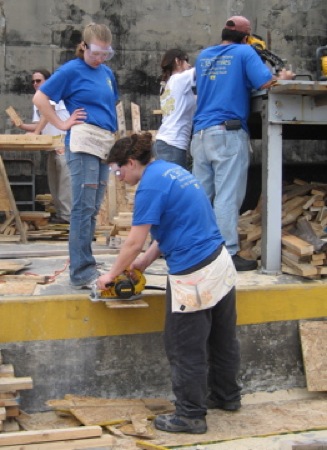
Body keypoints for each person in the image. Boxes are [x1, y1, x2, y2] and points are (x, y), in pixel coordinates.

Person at [97, 132, 241, 434]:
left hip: (194, 273)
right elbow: (174, 223)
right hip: (219, 261)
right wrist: (146, 262)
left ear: (132, 163)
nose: (118, 177)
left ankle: (190, 415)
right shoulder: (173, 171)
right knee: (221, 338)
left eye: (117, 170)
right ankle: (226, 397)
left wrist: (110, 276)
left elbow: (133, 242)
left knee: (183, 347)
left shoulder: (149, 186)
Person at [191, 16, 295, 271]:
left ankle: (199, 251)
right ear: (247, 37)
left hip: (200, 135)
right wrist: (285, 77)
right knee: (227, 197)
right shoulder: (245, 52)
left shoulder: (204, 56)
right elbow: (266, 82)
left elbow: (198, 88)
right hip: (228, 134)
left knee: (202, 198)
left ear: (223, 34)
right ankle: (227, 253)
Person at [33, 23, 119, 288]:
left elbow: (112, 103)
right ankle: (81, 270)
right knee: (82, 207)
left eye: (106, 53)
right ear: (84, 47)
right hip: (82, 142)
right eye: (95, 52)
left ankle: (87, 262)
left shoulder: (106, 72)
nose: (100, 58)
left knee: (92, 207)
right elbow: (40, 98)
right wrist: (61, 124)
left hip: (103, 142)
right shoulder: (71, 70)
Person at [14, 69, 71, 224]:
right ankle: (61, 215)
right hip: (51, 146)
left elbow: (48, 113)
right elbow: (37, 124)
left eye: (38, 81)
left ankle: (68, 216)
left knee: (65, 183)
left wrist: (37, 132)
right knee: (54, 183)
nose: (35, 84)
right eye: (33, 81)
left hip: (64, 144)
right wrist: (21, 126)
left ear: (48, 81)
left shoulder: (53, 94)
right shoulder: (38, 99)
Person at [153, 49, 196, 169]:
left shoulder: (168, 84)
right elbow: (203, 69)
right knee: (175, 186)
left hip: (168, 143)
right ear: (177, 61)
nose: (189, 65)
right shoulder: (178, 79)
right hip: (173, 144)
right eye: (186, 61)